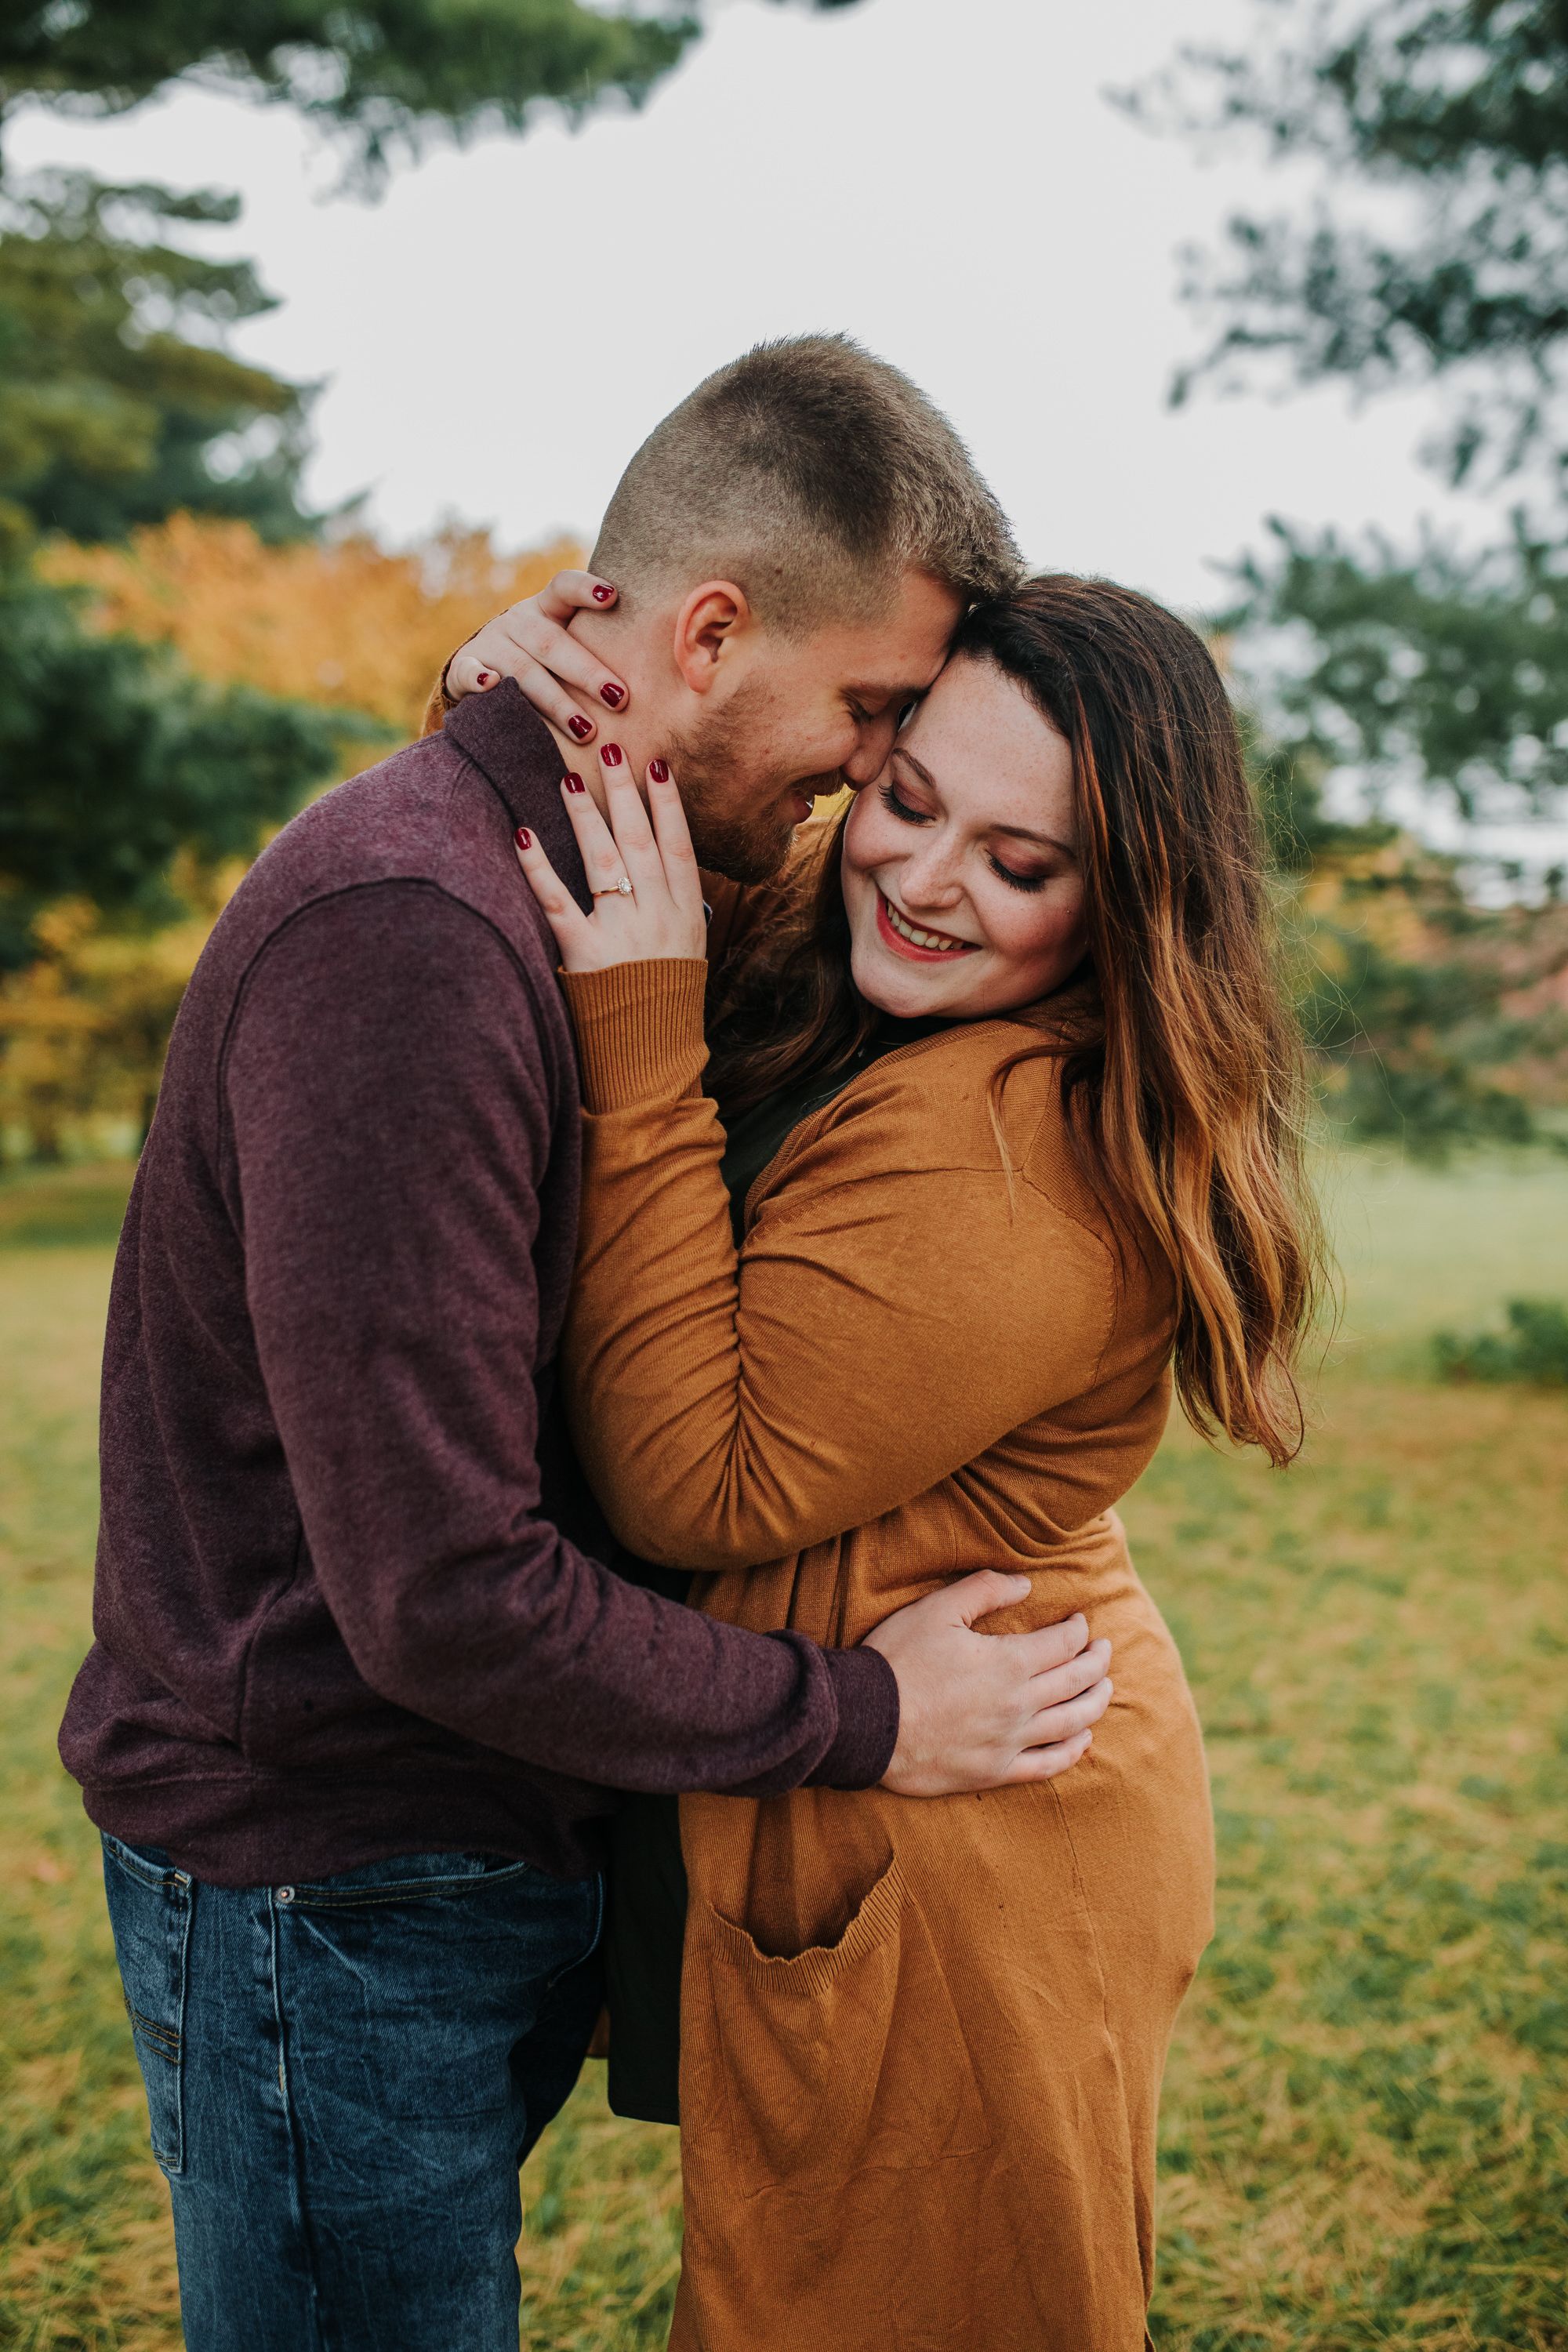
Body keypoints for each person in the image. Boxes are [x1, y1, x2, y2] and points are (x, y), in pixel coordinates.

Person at [58, 337, 1115, 2352]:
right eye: (874, 719)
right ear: (710, 629)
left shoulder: (609, 891)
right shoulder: (416, 936)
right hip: (334, 1881)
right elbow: (443, 1594)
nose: (862, 791)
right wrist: (864, 1719)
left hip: (484, 1835)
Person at [475, 570, 1326, 2349]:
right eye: (909, 798)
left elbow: (692, 1484)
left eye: (1022, 866)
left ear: (1128, 906)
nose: (926, 881)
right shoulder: (891, 1006)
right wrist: (510, 722)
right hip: (914, 1766)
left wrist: (637, 1030)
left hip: (977, 1840)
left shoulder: (1014, 1145)